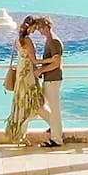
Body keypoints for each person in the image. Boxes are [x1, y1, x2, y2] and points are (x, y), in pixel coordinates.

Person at [3, 17, 46, 146]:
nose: (35, 30)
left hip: (21, 74)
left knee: (21, 103)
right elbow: (34, 61)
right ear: (30, 27)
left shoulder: (18, 40)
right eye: (34, 27)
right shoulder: (28, 41)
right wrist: (50, 61)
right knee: (31, 104)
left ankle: (20, 134)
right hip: (27, 75)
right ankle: (22, 132)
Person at [35, 15, 65, 146]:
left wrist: (41, 70)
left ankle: (57, 138)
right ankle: (54, 128)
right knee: (39, 105)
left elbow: (56, 63)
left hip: (53, 79)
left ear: (47, 27)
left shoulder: (53, 41)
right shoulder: (49, 40)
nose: (39, 31)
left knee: (53, 108)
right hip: (50, 79)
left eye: (41, 28)